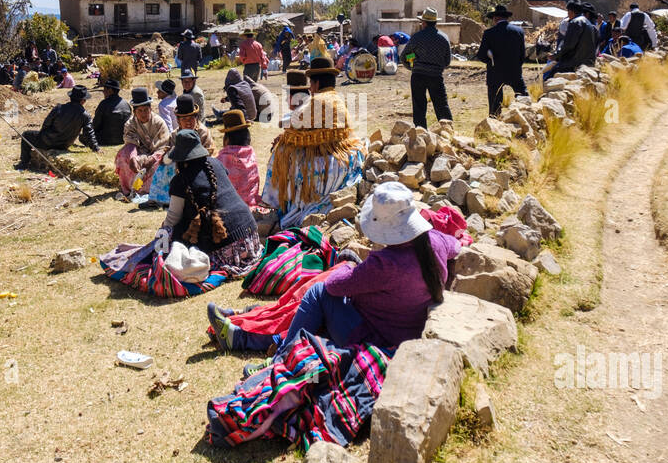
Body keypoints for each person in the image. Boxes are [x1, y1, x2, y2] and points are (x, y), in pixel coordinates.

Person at [208, 182, 458, 359]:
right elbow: (456, 248)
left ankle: (279, 355)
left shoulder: (385, 265)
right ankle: (248, 318)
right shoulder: (435, 241)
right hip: (398, 326)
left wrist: (345, 266)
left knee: (317, 293)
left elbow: (334, 286)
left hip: (377, 337)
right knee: (319, 301)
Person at [260, 56, 365, 229]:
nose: (310, 87)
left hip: (324, 161)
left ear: (315, 84)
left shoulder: (316, 101)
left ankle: (278, 201)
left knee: (280, 151)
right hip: (343, 158)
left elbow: (289, 125)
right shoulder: (338, 100)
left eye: (311, 83)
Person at [151, 130, 263, 275]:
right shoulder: (216, 163)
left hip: (226, 243)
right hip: (250, 235)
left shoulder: (180, 180)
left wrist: (161, 237)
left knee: (176, 231)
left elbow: (172, 218)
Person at [147, 95, 216, 208]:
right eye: (184, 119)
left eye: (191, 118)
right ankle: (163, 198)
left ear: (196, 118)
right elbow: (168, 154)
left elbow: (209, 153)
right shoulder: (175, 135)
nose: (188, 122)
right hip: (180, 167)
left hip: (201, 165)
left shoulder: (203, 132)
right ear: (178, 121)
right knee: (165, 167)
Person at [16, 85, 99, 170]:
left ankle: (24, 163)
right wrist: (96, 148)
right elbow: (89, 133)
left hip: (47, 142)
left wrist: (42, 135)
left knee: (26, 134)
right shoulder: (85, 115)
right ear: (83, 101)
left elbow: (46, 124)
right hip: (64, 144)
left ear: (71, 97)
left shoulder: (59, 108)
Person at [115, 87, 172, 199]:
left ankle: (150, 190)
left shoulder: (159, 123)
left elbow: (164, 146)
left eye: (146, 110)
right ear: (134, 112)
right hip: (140, 153)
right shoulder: (130, 124)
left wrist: (152, 159)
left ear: (150, 109)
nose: (143, 114)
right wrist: (133, 158)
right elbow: (131, 144)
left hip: (157, 155)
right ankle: (130, 189)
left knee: (161, 164)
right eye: (139, 111)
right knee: (122, 156)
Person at [401, 7, 452, 128]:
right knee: (441, 105)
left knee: (419, 106)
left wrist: (413, 65)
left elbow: (404, 56)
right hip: (436, 76)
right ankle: (448, 131)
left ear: (423, 22)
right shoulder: (443, 38)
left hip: (418, 76)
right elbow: (447, 61)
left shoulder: (417, 37)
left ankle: (421, 133)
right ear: (435, 22)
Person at [475, 3, 526, 115]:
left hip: (495, 72)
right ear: (506, 17)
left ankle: (495, 123)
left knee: (495, 104)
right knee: (523, 98)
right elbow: (523, 55)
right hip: (514, 71)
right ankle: (526, 116)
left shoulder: (489, 33)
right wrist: (516, 65)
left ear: (495, 18)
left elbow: (481, 55)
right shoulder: (519, 32)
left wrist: (492, 62)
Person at [542, 0, 598, 82]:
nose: (567, 13)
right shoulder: (588, 23)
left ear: (571, 11)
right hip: (587, 60)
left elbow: (569, 45)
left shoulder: (575, 22)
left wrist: (556, 55)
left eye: (568, 11)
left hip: (575, 61)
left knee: (551, 76)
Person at [215, 108, 260, 207]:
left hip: (231, 207)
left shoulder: (222, 159)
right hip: (250, 202)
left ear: (227, 138)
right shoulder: (251, 153)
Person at [92, 77, 131, 145]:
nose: (103, 92)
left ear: (110, 90)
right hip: (122, 139)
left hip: (105, 140)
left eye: (104, 90)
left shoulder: (104, 104)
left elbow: (96, 125)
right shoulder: (126, 104)